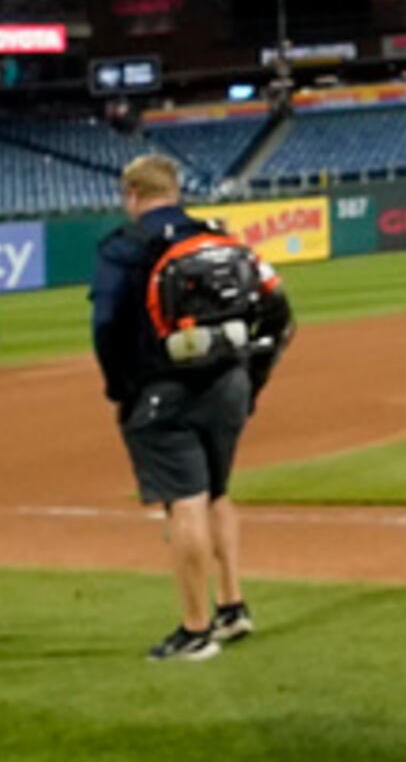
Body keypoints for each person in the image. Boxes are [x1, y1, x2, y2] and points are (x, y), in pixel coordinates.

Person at [87, 152, 293, 660]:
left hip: (162, 389)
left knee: (186, 501)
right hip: (229, 384)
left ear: (131, 195)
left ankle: (195, 630)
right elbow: (279, 313)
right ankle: (232, 606)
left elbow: (106, 327)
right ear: (174, 190)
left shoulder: (125, 247)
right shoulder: (219, 237)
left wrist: (121, 389)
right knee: (217, 491)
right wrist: (251, 381)